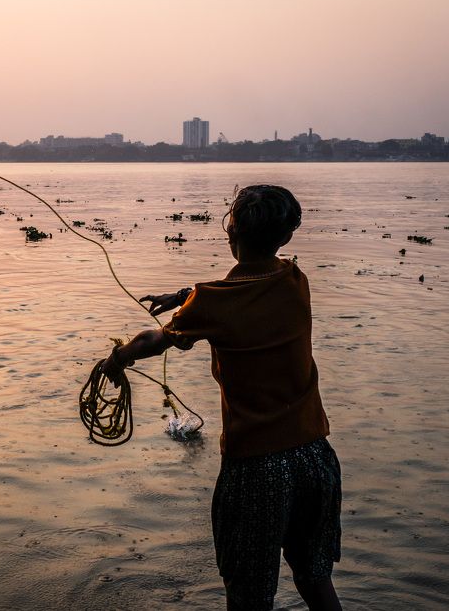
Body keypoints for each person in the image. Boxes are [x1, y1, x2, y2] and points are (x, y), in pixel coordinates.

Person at [101, 184, 342, 610]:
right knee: (315, 578)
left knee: (248, 597)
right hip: (315, 458)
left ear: (231, 232)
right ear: (285, 238)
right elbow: (240, 289)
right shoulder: (294, 279)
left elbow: (155, 340)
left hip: (256, 469)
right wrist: (181, 296)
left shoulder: (211, 304)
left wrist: (117, 359)